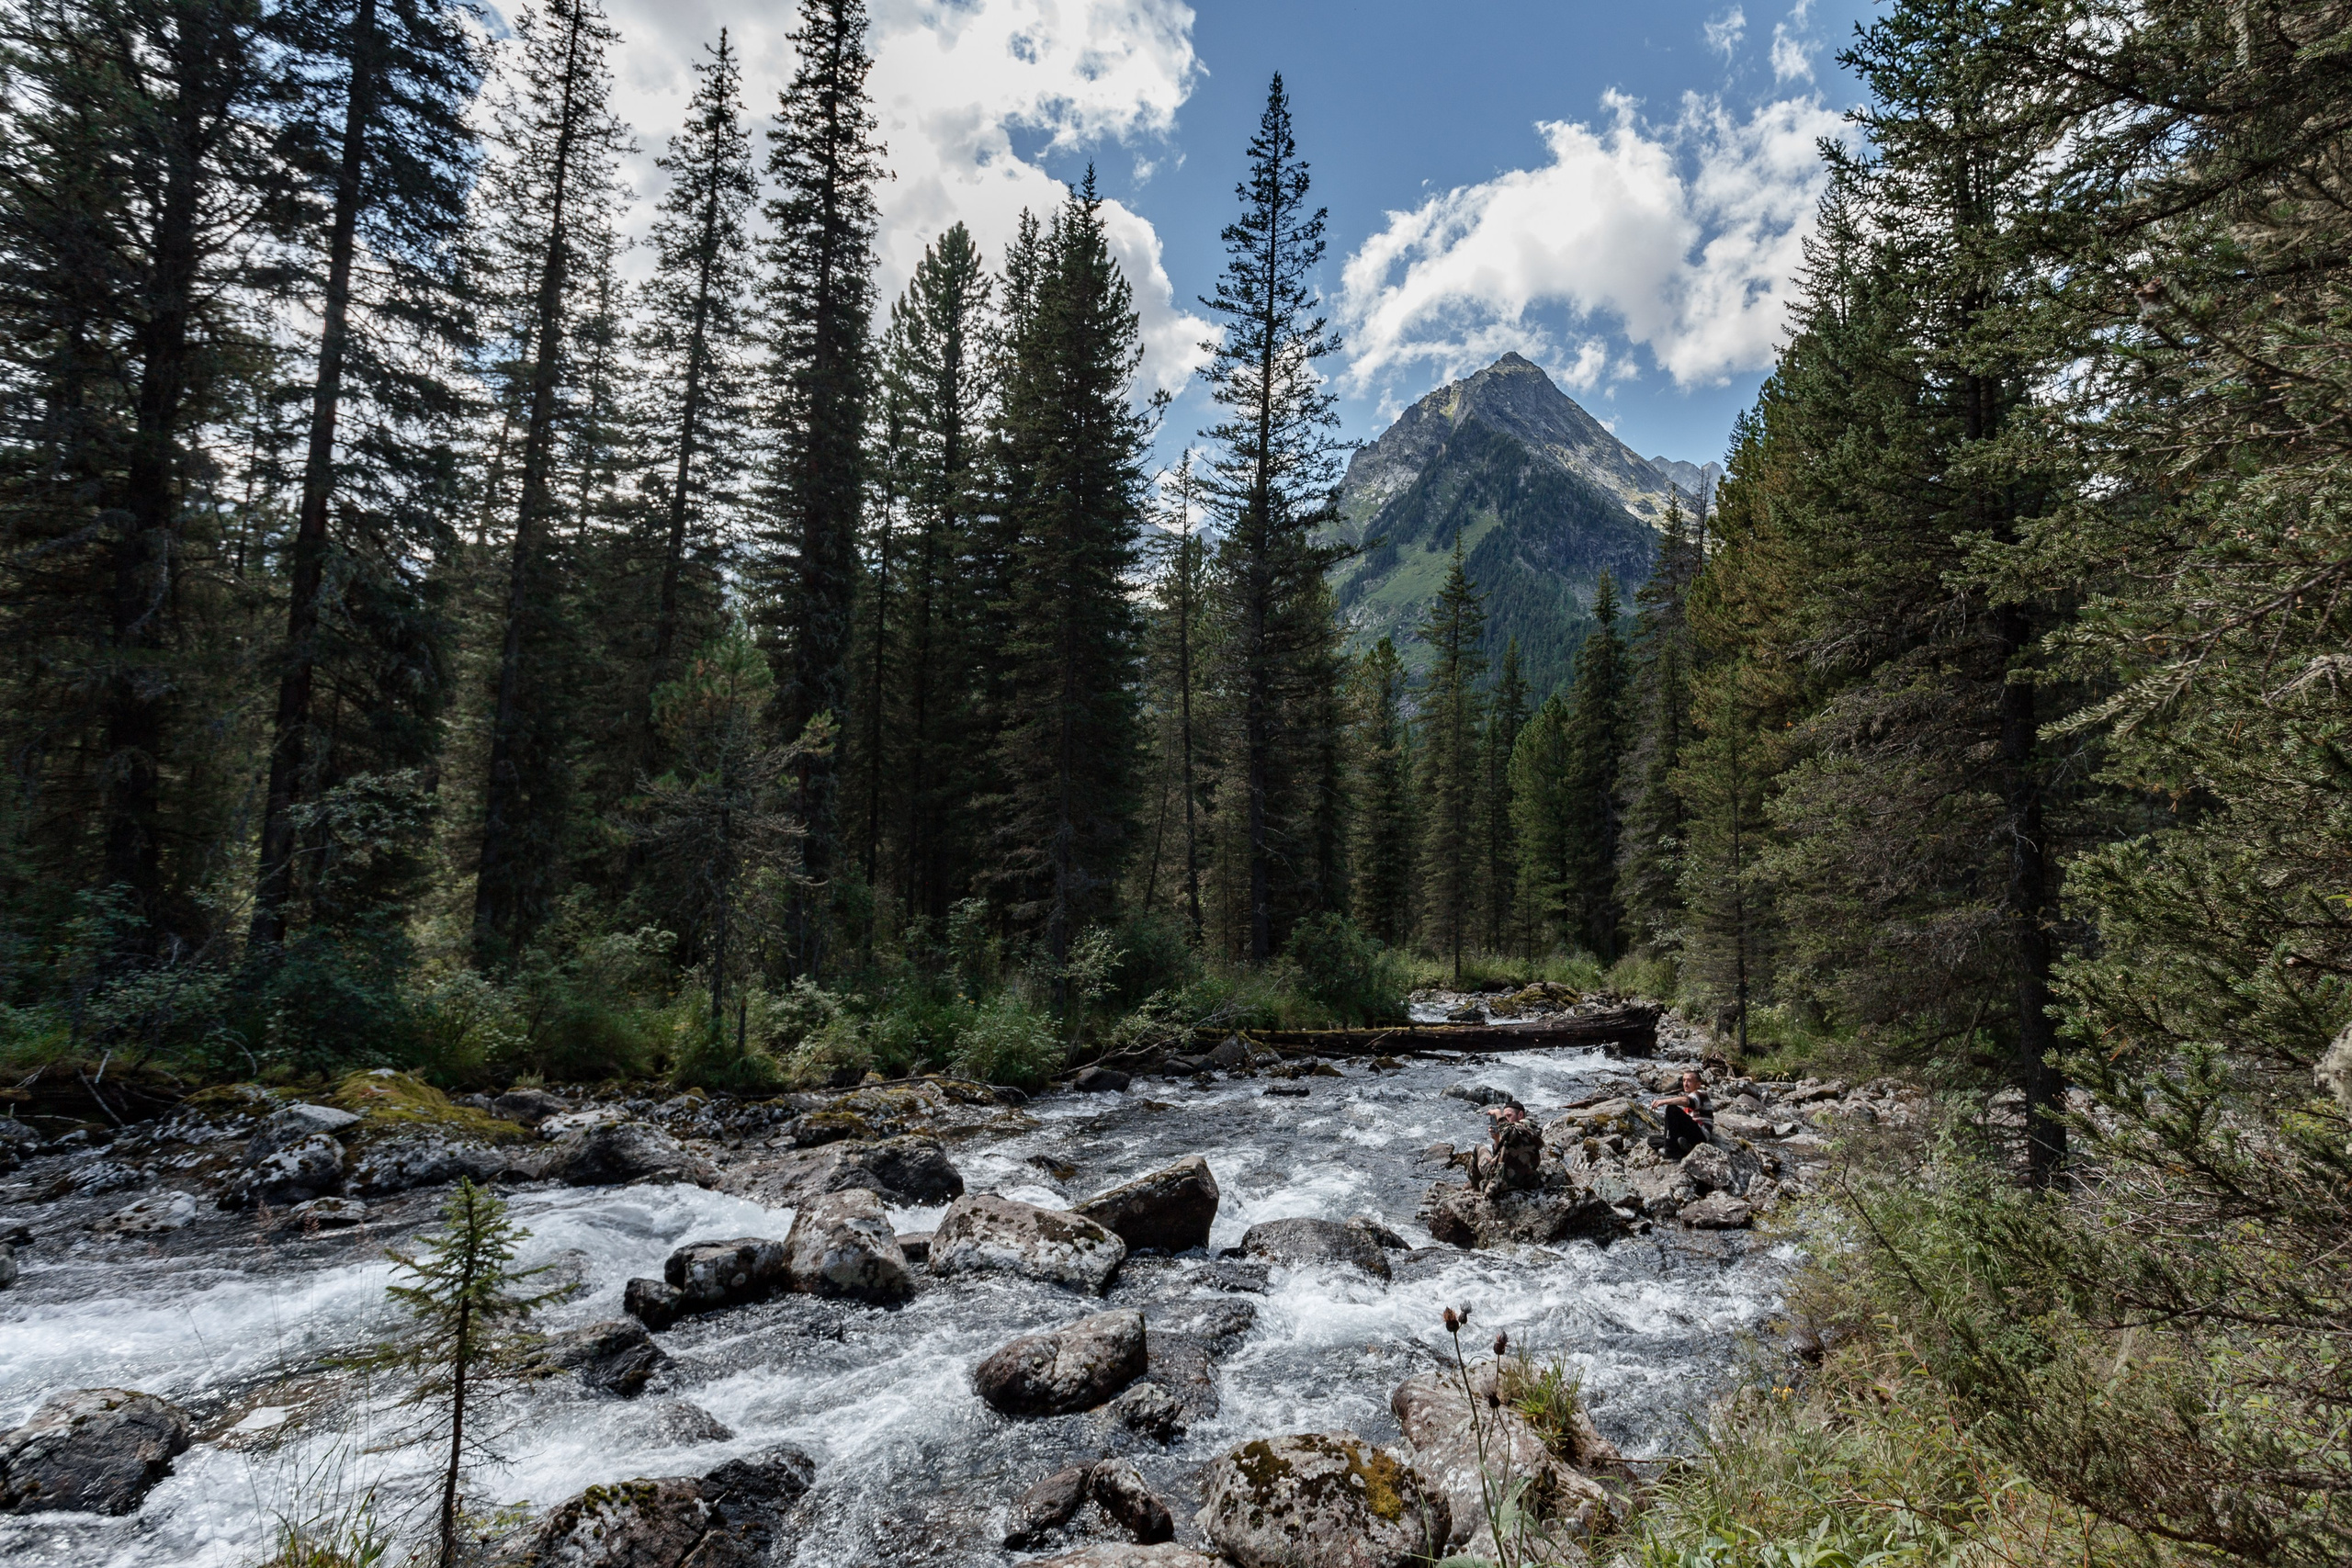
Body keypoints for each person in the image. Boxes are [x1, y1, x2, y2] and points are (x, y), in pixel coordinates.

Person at [1648, 1069, 1713, 1159]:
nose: (1685, 1083)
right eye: (1684, 1080)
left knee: (1672, 1109)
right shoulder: (1692, 1095)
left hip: (1700, 1134)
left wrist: (1663, 1101)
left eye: (1689, 1081)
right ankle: (1682, 1148)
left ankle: (1670, 1150)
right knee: (1652, 1140)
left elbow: (1687, 1101)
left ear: (1698, 1084)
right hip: (1689, 1134)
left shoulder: (1700, 1094)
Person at [1481, 1100, 1543, 1191]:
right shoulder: (1516, 1132)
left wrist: (1499, 1116)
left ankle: (1473, 1187)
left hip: (1507, 1181)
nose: (1507, 1119)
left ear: (1520, 1115)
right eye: (1505, 1117)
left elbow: (1510, 1132)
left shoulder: (1523, 1128)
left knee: (1479, 1149)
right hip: (1521, 1179)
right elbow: (1501, 1155)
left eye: (1509, 1116)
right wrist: (1497, 1139)